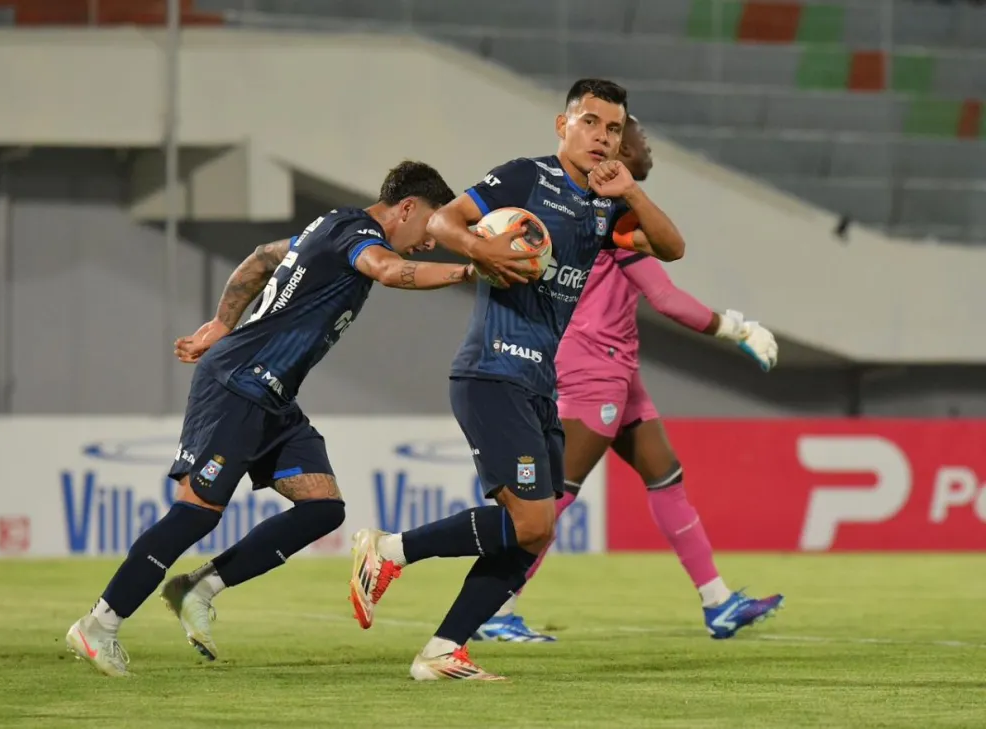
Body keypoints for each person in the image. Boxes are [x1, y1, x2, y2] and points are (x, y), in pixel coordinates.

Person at [64, 160, 505, 678]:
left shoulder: (328, 228)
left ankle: (198, 588)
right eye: (430, 226)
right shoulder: (360, 234)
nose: (431, 241)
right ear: (407, 208)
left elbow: (259, 259)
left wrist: (219, 323)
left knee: (322, 508)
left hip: (273, 397)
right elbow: (387, 271)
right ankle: (100, 623)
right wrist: (472, 269)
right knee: (196, 512)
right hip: (239, 383)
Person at [348, 79, 687, 681]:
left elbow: (672, 246)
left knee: (533, 533)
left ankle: (444, 650)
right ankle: (388, 549)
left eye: (613, 129)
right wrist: (483, 251)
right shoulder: (524, 177)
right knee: (535, 522)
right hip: (491, 370)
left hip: (538, 383)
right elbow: (446, 221)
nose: (602, 138)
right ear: (564, 126)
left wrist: (630, 189)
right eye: (590, 123)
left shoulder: (607, 206)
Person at [474, 116, 784, 644]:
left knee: (667, 477)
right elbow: (666, 299)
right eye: (630, 136)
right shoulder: (607, 220)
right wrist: (738, 329)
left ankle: (718, 603)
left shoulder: (616, 213)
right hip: (594, 369)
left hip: (620, 370)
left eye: (626, 132)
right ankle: (494, 609)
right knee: (551, 501)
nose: (639, 144)